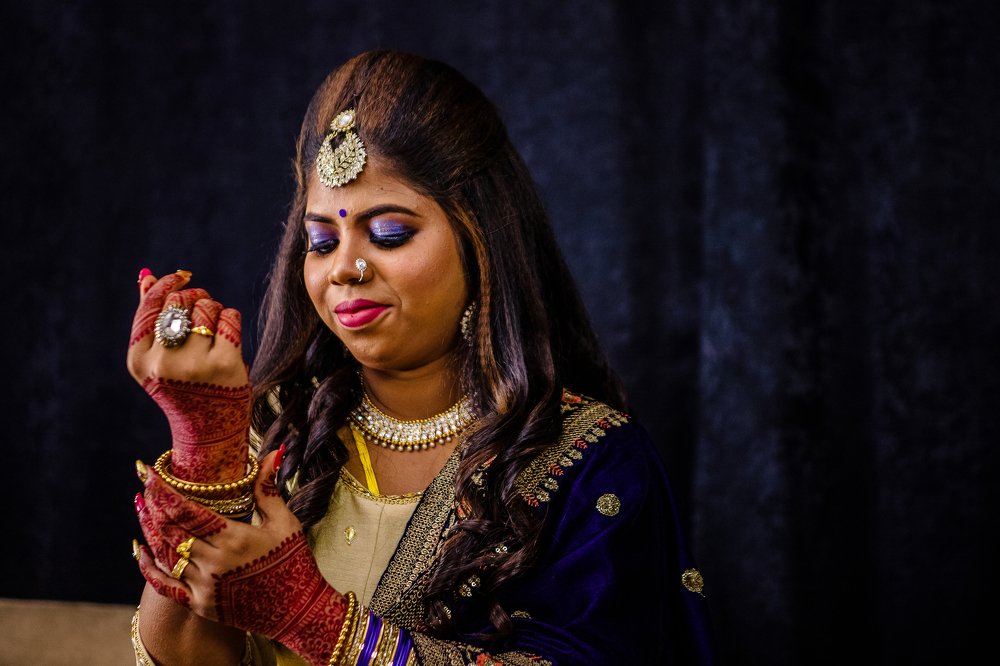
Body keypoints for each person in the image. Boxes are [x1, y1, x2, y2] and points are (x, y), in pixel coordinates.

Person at [128, 50, 715, 665]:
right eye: (322, 241)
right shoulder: (280, 429)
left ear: (479, 240)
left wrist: (314, 618)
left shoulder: (587, 461)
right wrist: (205, 440)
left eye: (388, 234)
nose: (345, 269)